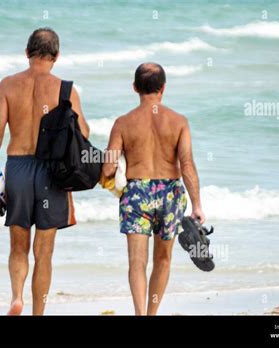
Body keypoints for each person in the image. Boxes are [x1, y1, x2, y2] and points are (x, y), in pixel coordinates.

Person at [0, 27, 90, 315]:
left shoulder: (7, 85)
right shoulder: (66, 89)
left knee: (18, 246)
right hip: (52, 172)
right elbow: (84, 133)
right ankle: (38, 314)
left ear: (27, 52)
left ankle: (16, 298)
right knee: (44, 253)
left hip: (17, 169)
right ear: (57, 56)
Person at [102, 62, 205, 315]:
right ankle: (152, 313)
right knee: (163, 259)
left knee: (137, 262)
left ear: (135, 87)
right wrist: (197, 205)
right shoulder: (179, 122)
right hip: (171, 193)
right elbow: (187, 164)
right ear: (163, 88)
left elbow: (107, 168)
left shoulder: (123, 123)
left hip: (137, 193)